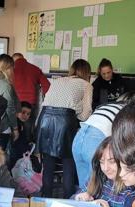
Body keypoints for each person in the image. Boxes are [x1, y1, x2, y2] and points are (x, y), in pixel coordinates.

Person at [37, 59, 93, 198]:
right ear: (87, 72)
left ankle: (44, 200)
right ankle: (69, 200)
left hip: (45, 119)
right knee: (69, 162)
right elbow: (86, 115)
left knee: (48, 165)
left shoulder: (58, 80)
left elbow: (47, 102)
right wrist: (77, 109)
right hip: (66, 121)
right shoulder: (86, 85)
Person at [73, 136, 134, 207]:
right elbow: (72, 200)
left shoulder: (130, 188)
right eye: (101, 162)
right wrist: (79, 197)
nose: (105, 168)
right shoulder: (99, 177)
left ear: (123, 161)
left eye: (111, 161)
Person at [72, 102, 124, 188]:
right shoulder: (128, 111)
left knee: (85, 187)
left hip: (79, 136)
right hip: (96, 138)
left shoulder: (108, 106)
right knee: (97, 185)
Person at [12, 52, 50, 136]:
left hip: (14, 105)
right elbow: (47, 86)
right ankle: (27, 147)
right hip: (30, 106)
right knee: (27, 133)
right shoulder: (35, 69)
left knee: (13, 132)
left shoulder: (11, 70)